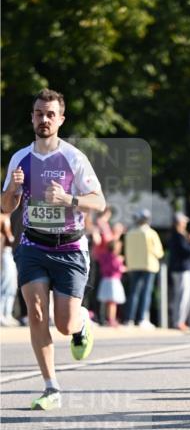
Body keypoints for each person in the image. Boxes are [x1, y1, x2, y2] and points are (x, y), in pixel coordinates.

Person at [1, 88, 105, 410]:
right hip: (32, 244)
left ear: (61, 119)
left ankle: (80, 323)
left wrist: (68, 199)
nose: (43, 119)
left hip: (71, 248)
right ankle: (51, 387)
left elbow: (99, 201)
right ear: (32, 117)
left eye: (50, 114)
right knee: (35, 312)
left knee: (64, 324)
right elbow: (5, 206)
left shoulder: (74, 158)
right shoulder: (20, 158)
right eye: (38, 113)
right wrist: (15, 190)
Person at [123, 208, 164, 327]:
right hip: (149, 265)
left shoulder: (130, 233)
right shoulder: (151, 233)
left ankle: (129, 319)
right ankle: (142, 319)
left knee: (133, 292)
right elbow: (159, 252)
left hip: (134, 266)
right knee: (145, 292)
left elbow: (127, 251)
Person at [168, 213, 190, 331]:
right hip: (182, 270)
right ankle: (179, 322)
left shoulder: (178, 235)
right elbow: (186, 251)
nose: (185, 224)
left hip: (183, 269)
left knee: (183, 296)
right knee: (182, 296)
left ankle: (180, 321)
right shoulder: (178, 236)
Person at [96, 239, 126, 326]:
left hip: (105, 280)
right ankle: (111, 319)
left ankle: (107, 318)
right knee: (113, 303)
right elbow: (118, 268)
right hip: (113, 281)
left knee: (108, 302)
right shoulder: (116, 258)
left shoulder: (104, 256)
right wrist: (121, 263)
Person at [0, 212, 18, 325]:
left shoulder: (8, 217)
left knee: (12, 286)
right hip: (6, 253)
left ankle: (7, 313)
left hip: (10, 253)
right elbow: (10, 238)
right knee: (5, 285)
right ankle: (2, 314)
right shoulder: (4, 218)